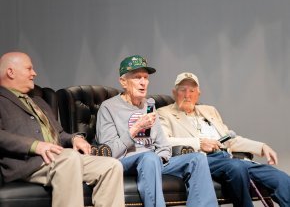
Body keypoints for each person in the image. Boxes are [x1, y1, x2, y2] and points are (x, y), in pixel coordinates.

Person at [0, 52, 125, 207]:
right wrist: (35, 145)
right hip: (29, 163)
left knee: (112, 166)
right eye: (29, 69)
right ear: (11, 72)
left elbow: (59, 133)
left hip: (60, 159)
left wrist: (75, 138)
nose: (34, 73)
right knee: (69, 157)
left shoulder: (38, 101)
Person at [96, 55, 218, 207]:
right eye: (137, 77)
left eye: (146, 78)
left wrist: (161, 159)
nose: (143, 83)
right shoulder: (108, 108)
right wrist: (135, 129)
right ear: (123, 82)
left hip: (154, 162)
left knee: (197, 159)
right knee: (149, 158)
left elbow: (163, 145)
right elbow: (110, 152)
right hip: (125, 162)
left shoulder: (148, 106)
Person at [157, 72, 290, 207]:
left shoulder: (210, 111)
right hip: (202, 161)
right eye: (182, 90)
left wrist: (262, 147)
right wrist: (199, 143)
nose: (187, 95)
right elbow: (164, 141)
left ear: (198, 93)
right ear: (174, 93)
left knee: (281, 179)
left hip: (228, 158)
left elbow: (230, 140)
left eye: (192, 90)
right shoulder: (164, 113)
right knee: (236, 167)